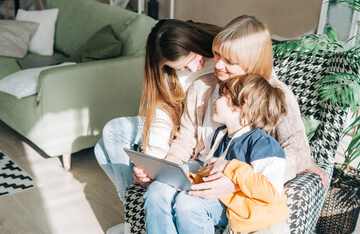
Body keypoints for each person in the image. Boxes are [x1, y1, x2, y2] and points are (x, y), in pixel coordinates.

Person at [140, 15, 328, 234]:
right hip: (204, 166)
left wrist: (237, 180)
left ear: (253, 61)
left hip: (241, 182)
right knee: (157, 191)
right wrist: (167, 166)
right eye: (217, 54)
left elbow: (297, 151)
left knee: (187, 204)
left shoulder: (275, 96)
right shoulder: (202, 87)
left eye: (230, 61)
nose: (218, 65)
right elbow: (186, 139)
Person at [94, 19, 222, 233]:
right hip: (179, 121)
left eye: (194, 59)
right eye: (182, 67)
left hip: (199, 129)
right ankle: (137, 214)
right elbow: (162, 118)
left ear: (195, 41)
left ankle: (135, 220)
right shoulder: (167, 74)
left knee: (108, 138)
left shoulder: (221, 53)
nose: (192, 68)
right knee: (102, 147)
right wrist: (154, 165)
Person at [188, 74, 290, 233]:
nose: (214, 101)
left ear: (242, 104)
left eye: (222, 96)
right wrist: (195, 180)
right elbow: (215, 174)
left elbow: (272, 192)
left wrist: (230, 166)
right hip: (239, 223)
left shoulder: (264, 144)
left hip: (265, 226)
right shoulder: (221, 136)